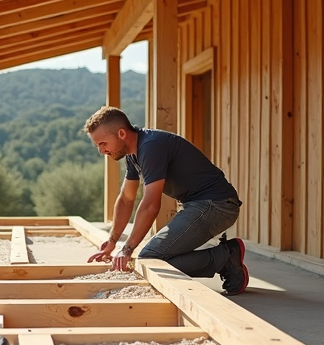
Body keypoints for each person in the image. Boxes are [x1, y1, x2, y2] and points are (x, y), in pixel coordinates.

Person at [84, 106, 248, 295]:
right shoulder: (133, 154)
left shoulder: (151, 146)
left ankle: (225, 257)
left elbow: (151, 205)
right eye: (98, 146)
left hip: (216, 205)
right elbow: (126, 199)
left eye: (103, 143)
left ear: (121, 133)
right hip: (202, 205)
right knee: (152, 259)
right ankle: (224, 257)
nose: (101, 150)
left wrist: (128, 248)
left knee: (151, 259)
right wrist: (112, 242)